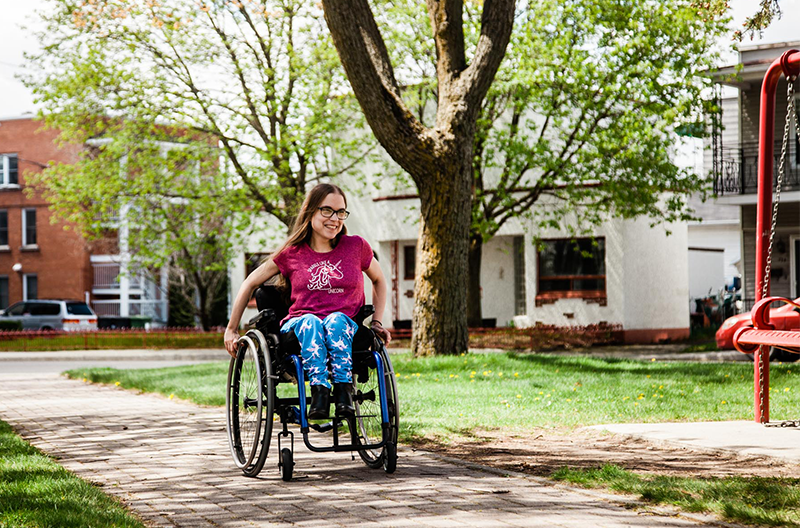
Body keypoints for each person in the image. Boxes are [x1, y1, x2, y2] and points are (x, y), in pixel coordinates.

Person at [224, 183, 392, 419]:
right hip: (299, 327)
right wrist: (231, 330)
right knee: (311, 322)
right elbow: (249, 283)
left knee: (335, 321)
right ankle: (320, 392)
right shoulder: (292, 253)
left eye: (341, 212)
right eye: (327, 210)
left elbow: (380, 281)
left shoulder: (355, 247)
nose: (335, 218)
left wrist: (377, 322)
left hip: (344, 327)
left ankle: (344, 392)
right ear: (310, 211)